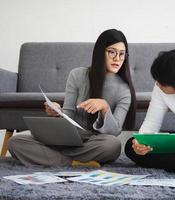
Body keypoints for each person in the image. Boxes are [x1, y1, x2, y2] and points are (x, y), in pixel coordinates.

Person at [8, 29, 136, 167]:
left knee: (113, 145)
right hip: (67, 139)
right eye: (112, 52)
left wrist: (105, 108)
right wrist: (58, 112)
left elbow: (114, 131)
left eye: (122, 54)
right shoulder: (77, 75)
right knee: (15, 142)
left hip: (93, 143)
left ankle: (52, 158)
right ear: (100, 52)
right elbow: (68, 114)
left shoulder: (124, 90)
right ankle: (73, 162)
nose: (117, 58)